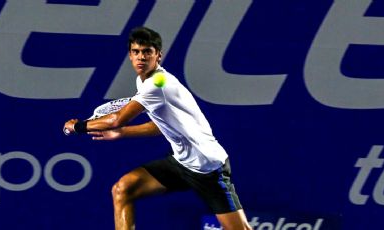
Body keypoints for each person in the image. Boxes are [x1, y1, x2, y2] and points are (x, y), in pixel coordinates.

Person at [64, 26, 252, 230]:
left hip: (207, 165)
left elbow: (115, 119)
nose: (141, 57)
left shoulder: (158, 84)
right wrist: (122, 133)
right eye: (136, 52)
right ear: (130, 55)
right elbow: (160, 126)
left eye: (147, 52)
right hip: (181, 162)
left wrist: (78, 126)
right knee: (123, 189)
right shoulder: (143, 82)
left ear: (158, 56)